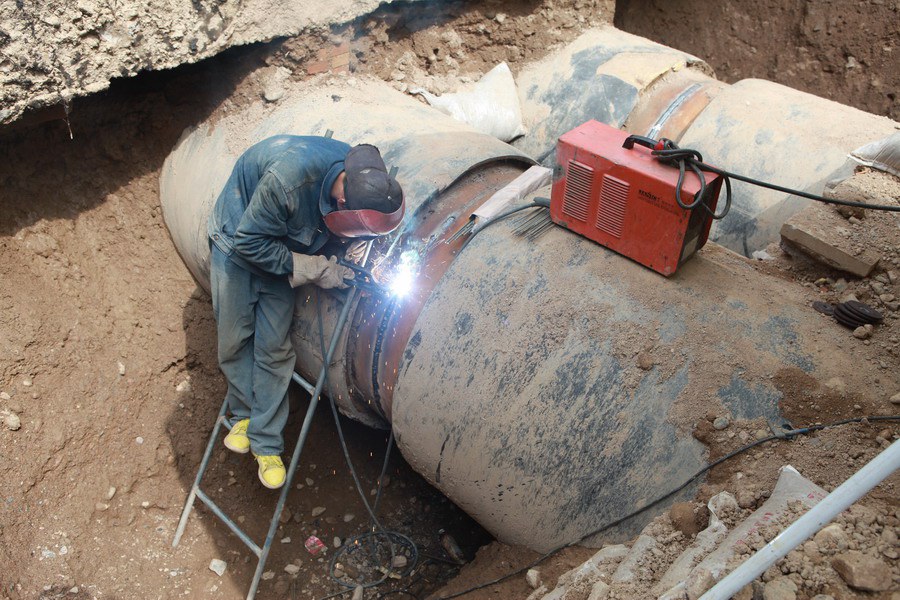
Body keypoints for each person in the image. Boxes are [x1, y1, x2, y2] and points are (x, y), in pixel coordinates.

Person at [207, 135, 404, 489]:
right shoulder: (288, 181)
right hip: (237, 241)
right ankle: (243, 416)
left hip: (284, 241)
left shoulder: (360, 176)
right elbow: (250, 243)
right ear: (343, 200)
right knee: (235, 339)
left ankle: (265, 443)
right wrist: (315, 269)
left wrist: (353, 257)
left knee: (275, 348)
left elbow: (343, 233)